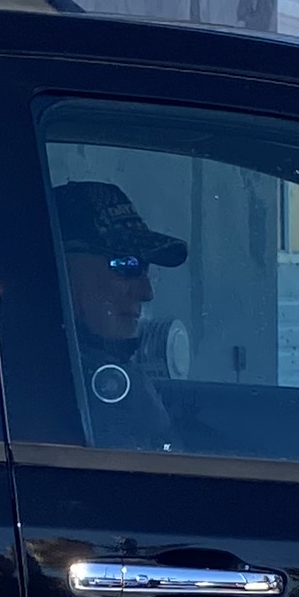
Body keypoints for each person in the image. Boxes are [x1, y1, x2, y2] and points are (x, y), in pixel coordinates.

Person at [51, 179, 193, 449]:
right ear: (58, 263)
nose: (146, 291)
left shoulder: (97, 379)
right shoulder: (47, 389)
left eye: (145, 269)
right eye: (126, 265)